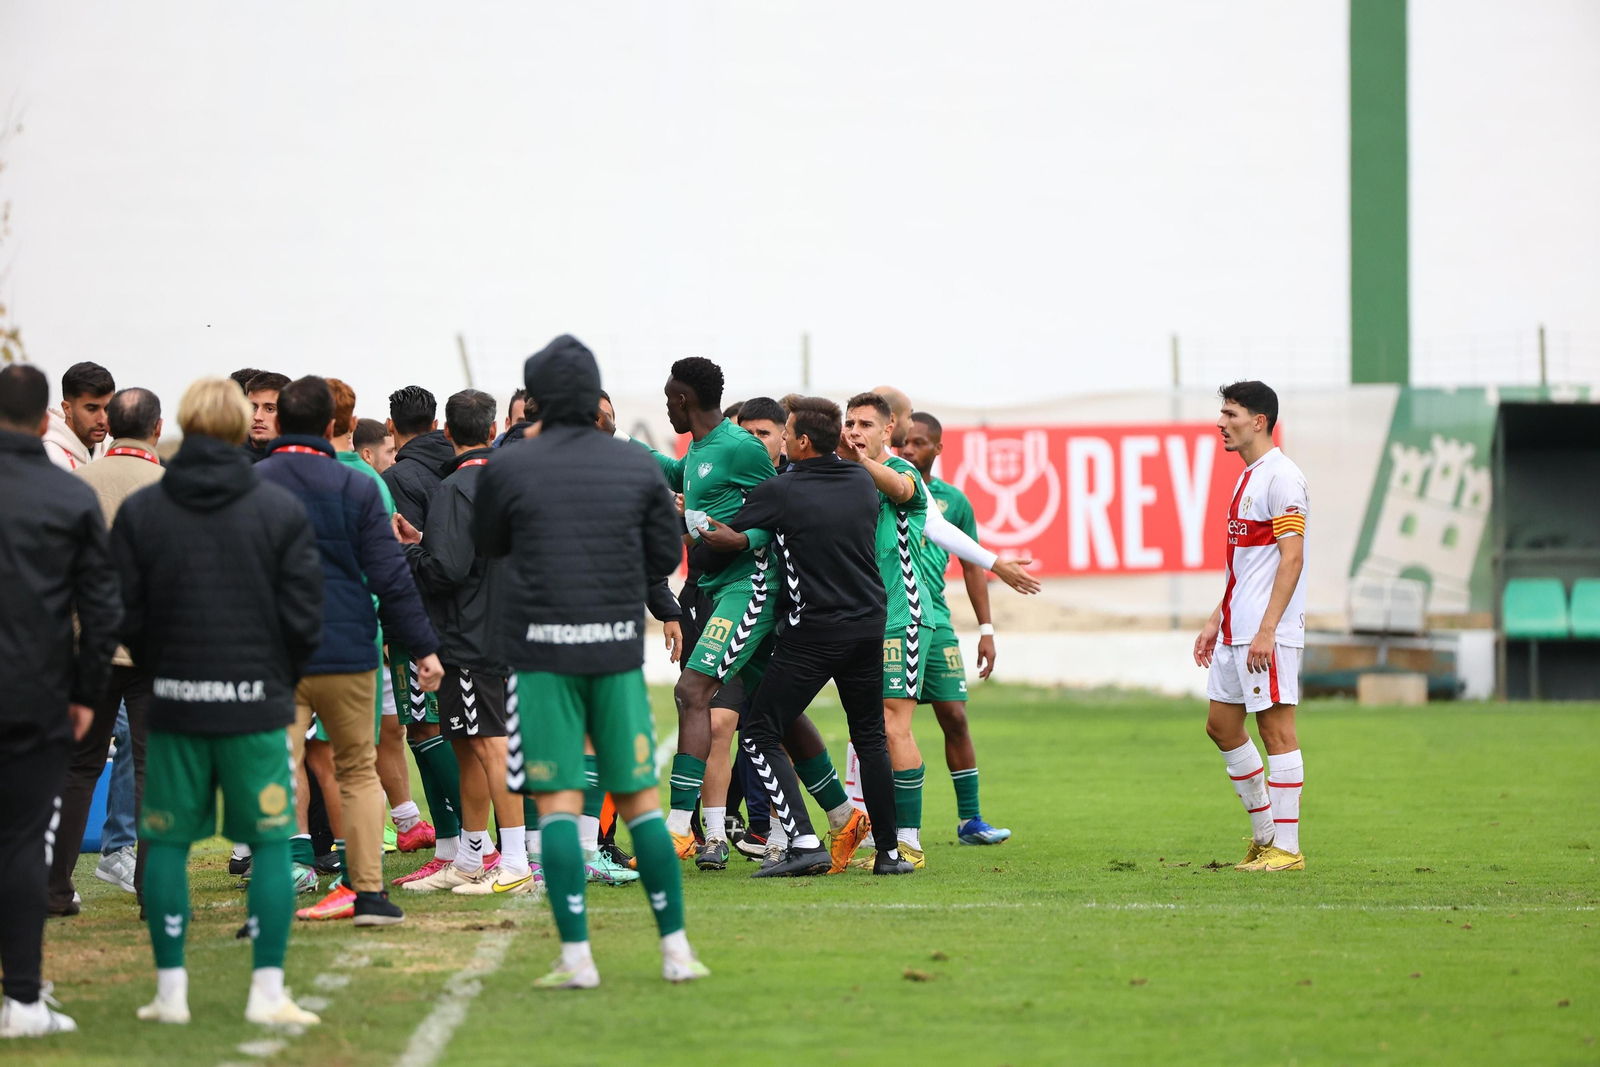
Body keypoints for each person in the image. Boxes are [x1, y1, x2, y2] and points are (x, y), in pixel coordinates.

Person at [476, 334, 707, 987]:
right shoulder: (634, 465)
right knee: (639, 803)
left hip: (541, 654)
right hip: (614, 651)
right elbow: (663, 554)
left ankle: (577, 958)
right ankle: (676, 951)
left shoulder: (511, 465)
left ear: (537, 398)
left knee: (556, 803)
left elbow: (487, 543)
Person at [111, 376, 324, 1026]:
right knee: (270, 842)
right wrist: (274, 676)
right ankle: (267, 990)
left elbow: (126, 613)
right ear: (238, 424)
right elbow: (304, 616)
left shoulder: (144, 510)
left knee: (169, 841)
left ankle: (170, 992)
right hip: (255, 704)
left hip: (176, 701)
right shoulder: (278, 508)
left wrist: (164, 669)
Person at [699, 395, 912, 878]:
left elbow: (723, 545)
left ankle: (803, 841)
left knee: (759, 733)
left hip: (813, 632)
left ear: (801, 441)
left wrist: (695, 524)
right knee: (871, 739)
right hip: (867, 627)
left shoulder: (782, 490)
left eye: (786, 432)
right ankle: (889, 854)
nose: (781, 442)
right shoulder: (860, 481)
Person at [256, 376, 443, 926]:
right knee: (359, 771)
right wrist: (424, 646)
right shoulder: (359, 485)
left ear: (280, 421)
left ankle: (269, 894)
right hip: (349, 648)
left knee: (273, 767)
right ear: (335, 426)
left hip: (277, 652)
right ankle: (367, 894)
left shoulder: (254, 482)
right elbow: (391, 575)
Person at [0, 364, 121, 1038]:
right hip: (35, 691)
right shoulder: (68, 493)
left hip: (35, 690)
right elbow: (100, 609)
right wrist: (85, 691)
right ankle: (22, 998)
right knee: (23, 842)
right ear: (49, 414)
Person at [396, 389, 536, 896]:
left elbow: (447, 569)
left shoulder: (455, 487)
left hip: (471, 635)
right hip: (504, 629)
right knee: (467, 745)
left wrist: (408, 554)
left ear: (447, 432)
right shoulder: (512, 482)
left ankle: (515, 862)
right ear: (494, 429)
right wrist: (423, 542)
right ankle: (472, 857)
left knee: (489, 745)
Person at [48, 388, 165, 918]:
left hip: (86, 646)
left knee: (79, 767)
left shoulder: (77, 483)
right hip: (151, 650)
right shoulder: (168, 489)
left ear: (110, 425)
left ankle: (55, 887)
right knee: (152, 770)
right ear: (156, 429)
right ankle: (152, 890)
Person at [1194, 381, 1308, 873]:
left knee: (1276, 731)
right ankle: (1265, 838)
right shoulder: (1249, 477)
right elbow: (1246, 565)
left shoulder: (1284, 478)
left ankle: (1287, 849)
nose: (1221, 423)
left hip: (1265, 633)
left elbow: (1291, 559)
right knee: (1221, 727)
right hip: (1235, 629)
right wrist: (1215, 618)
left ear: (1258, 421)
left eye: (1231, 414)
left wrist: (1267, 630)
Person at [896, 411, 1013, 844]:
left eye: (919, 443)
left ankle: (970, 821)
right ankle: (882, 824)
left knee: (956, 717)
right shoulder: (888, 485)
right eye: (905, 442)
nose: (909, 449)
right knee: (887, 722)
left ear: (938, 448)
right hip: (894, 617)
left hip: (938, 620)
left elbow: (971, 566)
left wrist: (987, 629)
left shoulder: (954, 502)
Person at [380, 386, 463, 868]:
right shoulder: (457, 466)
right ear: (435, 425)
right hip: (466, 618)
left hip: (418, 624)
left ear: (391, 426)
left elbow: (403, 558)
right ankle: (460, 844)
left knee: (425, 729)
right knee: (450, 730)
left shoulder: (396, 478)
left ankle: (466, 842)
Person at [44, 361, 114, 471]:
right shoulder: (49, 457)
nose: (102, 420)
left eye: (107, 409)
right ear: (67, 409)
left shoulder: (110, 455)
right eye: (92, 409)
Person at [241, 372, 290, 464]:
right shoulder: (228, 463)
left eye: (270, 409)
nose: (257, 417)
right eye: (253, 408)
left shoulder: (303, 461)